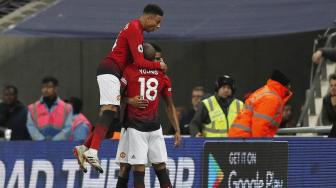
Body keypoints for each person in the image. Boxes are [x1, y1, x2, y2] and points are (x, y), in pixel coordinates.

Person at [73, 4, 167, 173]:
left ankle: (84, 148)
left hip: (111, 71)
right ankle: (93, 151)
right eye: (157, 22)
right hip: (110, 70)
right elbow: (139, 62)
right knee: (109, 111)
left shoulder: (135, 29)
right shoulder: (134, 29)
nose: (158, 26)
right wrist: (158, 65)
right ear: (149, 17)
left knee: (112, 114)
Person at [116, 43, 181, 188]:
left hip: (135, 128)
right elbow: (170, 105)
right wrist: (177, 129)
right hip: (154, 127)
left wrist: (129, 100)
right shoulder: (162, 75)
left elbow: (113, 96)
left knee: (135, 168)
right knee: (160, 168)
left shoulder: (130, 70)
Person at [229, 70, 293, 138]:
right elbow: (260, 126)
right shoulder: (272, 98)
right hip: (245, 139)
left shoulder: (266, 92)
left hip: (241, 136)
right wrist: (262, 146)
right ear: (285, 86)